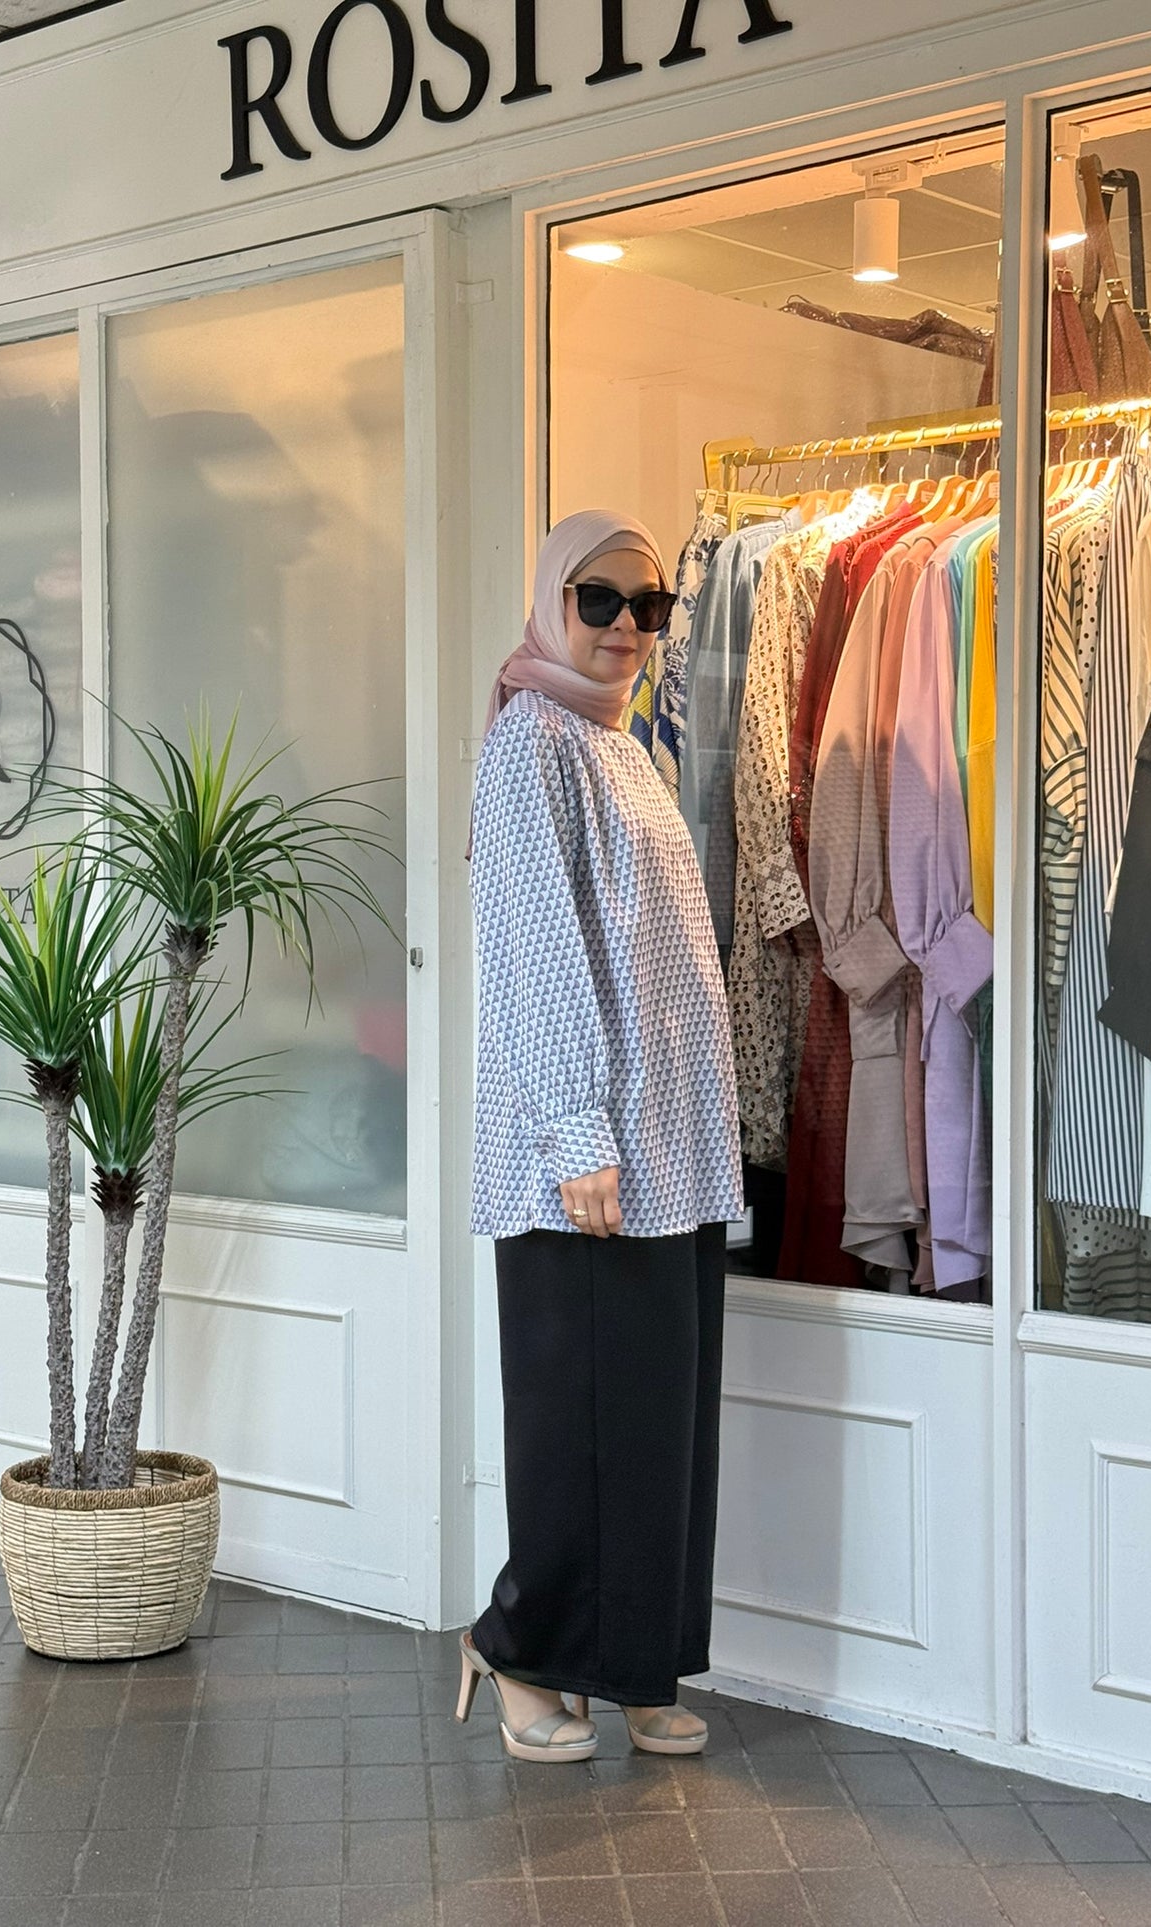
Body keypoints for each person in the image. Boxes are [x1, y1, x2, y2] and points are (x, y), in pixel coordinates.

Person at [457, 509, 744, 1763]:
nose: (627, 626)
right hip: (580, 1157)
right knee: (574, 1424)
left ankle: (633, 1665)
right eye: (599, 600)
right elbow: (537, 950)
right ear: (550, 602)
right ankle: (518, 1650)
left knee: (654, 1429)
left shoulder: (619, 746)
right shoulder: (531, 742)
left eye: (650, 606)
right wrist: (578, 1130)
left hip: (666, 1151)